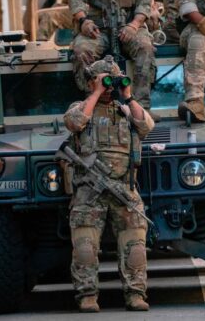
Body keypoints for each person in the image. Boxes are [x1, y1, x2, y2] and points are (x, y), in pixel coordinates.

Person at [64, 56, 154, 312]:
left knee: (135, 248)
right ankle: (87, 296)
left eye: (112, 81)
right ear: (91, 82)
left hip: (124, 190)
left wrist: (127, 95)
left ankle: (136, 294)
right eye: (105, 81)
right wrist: (96, 92)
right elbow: (74, 122)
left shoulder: (125, 110)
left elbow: (146, 126)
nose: (109, 86)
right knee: (85, 249)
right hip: (89, 193)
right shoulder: (81, 107)